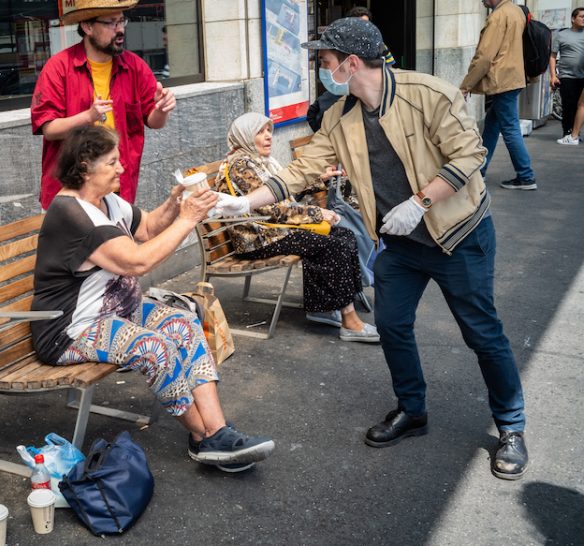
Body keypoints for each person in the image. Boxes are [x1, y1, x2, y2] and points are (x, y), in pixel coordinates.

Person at [213, 17, 529, 480]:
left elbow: (470, 154)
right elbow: (300, 172)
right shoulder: (341, 116)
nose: (321, 68)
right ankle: (412, 409)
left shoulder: (430, 95)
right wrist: (240, 201)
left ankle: (511, 426)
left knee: (481, 332)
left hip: (457, 234)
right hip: (399, 244)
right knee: (395, 326)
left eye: (325, 61)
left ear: (351, 62)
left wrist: (420, 203)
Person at [30, 125, 276, 472]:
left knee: (184, 323)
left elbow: (146, 227)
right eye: (112, 162)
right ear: (85, 167)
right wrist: (188, 219)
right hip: (71, 330)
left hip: (119, 313)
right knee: (154, 347)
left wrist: (176, 202)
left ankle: (218, 430)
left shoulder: (106, 200)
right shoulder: (72, 215)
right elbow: (137, 260)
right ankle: (205, 437)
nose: (122, 168)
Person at [215, 112, 378, 343]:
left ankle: (324, 306)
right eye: (260, 132)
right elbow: (272, 209)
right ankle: (349, 320)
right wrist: (315, 213)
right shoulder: (241, 166)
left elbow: (284, 193)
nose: (268, 137)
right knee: (331, 245)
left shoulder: (260, 162)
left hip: (274, 230)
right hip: (259, 237)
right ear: (244, 137)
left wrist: (320, 180)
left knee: (344, 235)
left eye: (269, 130)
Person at [31, 0, 176, 209]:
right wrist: (88, 117)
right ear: (87, 27)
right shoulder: (58, 68)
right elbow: (50, 129)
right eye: (111, 23)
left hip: (117, 191)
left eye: (121, 21)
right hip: (70, 194)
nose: (120, 30)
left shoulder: (135, 66)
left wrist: (162, 109)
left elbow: (153, 122)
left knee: (120, 242)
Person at [460, 0, 537, 190]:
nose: (481, 1)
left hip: (503, 79)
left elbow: (485, 56)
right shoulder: (516, 11)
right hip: (513, 76)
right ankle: (480, 171)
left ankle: (526, 176)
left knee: (509, 129)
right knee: (492, 126)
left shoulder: (498, 16)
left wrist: (466, 85)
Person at [306, 6, 395, 132]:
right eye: (359, 26)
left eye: (367, 25)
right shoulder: (336, 112)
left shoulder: (420, 101)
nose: (364, 31)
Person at [551, 7, 584, 145]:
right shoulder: (561, 35)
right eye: (581, 16)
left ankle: (576, 132)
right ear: (573, 19)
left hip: (582, 76)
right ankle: (568, 132)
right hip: (566, 75)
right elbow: (553, 55)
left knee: (580, 105)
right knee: (568, 105)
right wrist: (553, 75)